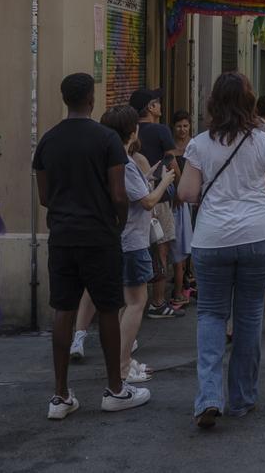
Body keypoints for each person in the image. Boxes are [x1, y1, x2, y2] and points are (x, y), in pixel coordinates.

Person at [178, 72, 265, 428]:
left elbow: (186, 194)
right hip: (260, 236)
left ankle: (209, 396)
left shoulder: (198, 144)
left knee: (211, 314)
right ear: (249, 103)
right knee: (249, 315)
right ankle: (242, 398)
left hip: (212, 239)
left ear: (213, 103)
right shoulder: (264, 143)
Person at [34, 73, 150, 419]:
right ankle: (115, 388)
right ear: (91, 99)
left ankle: (59, 395)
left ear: (65, 99)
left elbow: (43, 196)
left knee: (63, 311)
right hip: (99, 235)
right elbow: (118, 193)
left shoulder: (48, 141)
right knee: (109, 308)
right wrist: (116, 223)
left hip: (63, 235)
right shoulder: (106, 140)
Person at [101, 105, 180, 385]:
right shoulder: (124, 161)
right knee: (137, 302)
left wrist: (147, 181)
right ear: (131, 131)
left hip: (117, 239)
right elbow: (146, 202)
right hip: (132, 241)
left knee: (125, 303)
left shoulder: (109, 159)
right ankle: (121, 368)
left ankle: (122, 362)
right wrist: (165, 182)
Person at [129, 88, 183, 319]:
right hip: (158, 196)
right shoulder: (161, 130)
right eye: (157, 103)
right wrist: (180, 189)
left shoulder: (131, 131)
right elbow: (171, 163)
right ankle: (158, 302)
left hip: (134, 199)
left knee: (139, 248)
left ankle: (134, 300)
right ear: (150, 108)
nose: (160, 106)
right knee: (161, 246)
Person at [168, 109, 195, 307]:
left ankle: (189, 276)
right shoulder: (169, 147)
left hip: (193, 199)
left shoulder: (194, 145)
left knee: (192, 239)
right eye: (179, 126)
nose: (182, 130)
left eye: (185, 126)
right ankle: (182, 278)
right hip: (177, 201)